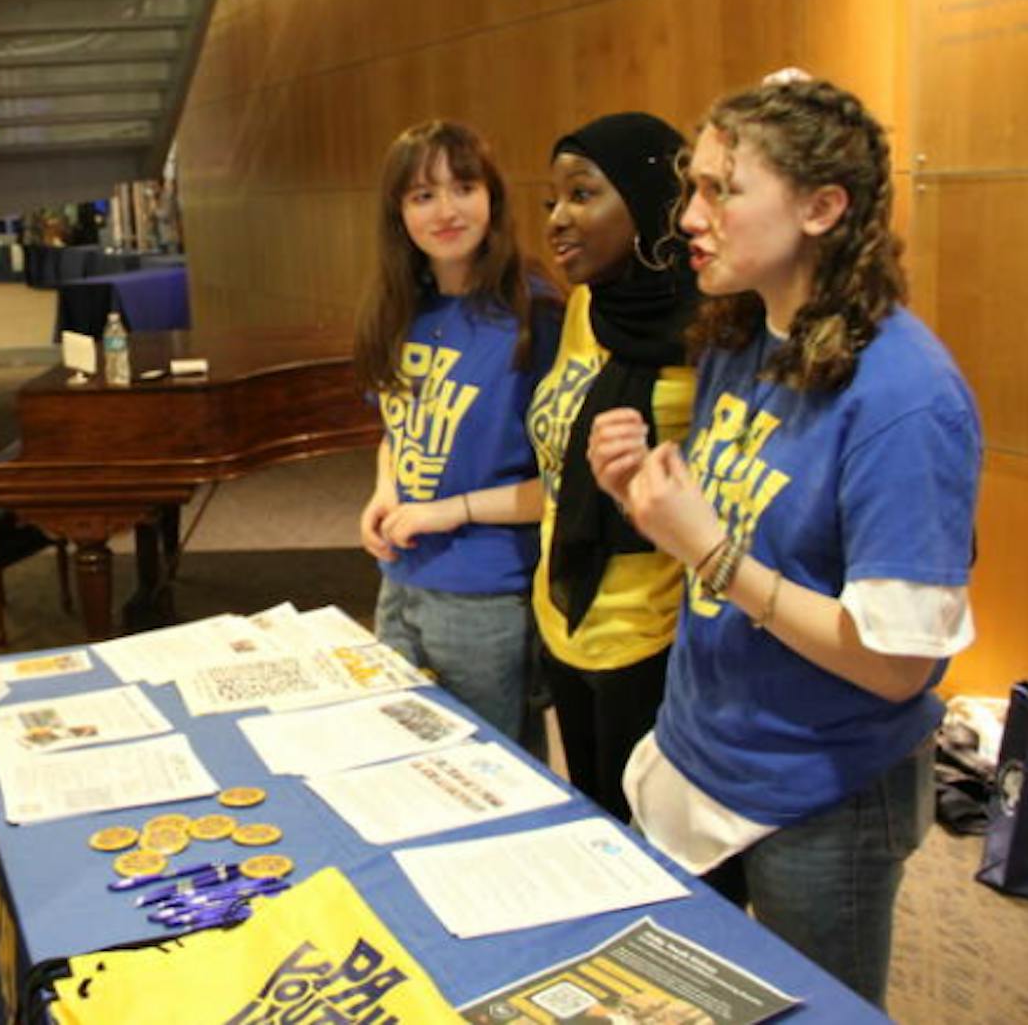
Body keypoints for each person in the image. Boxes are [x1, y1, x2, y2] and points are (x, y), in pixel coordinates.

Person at [589, 78, 982, 1006]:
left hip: (819, 794)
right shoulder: (740, 335)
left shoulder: (905, 396)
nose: (689, 216)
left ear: (821, 208)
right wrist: (649, 499)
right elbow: (741, 532)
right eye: (692, 187)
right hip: (706, 749)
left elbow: (896, 666)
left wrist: (713, 554)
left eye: (721, 189)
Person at [355, 119, 563, 743]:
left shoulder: (535, 314)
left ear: (491, 196)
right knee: (403, 755)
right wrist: (386, 490)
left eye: (463, 188)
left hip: (486, 596)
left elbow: (563, 488)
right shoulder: (400, 309)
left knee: (490, 768)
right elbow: (397, 429)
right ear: (399, 213)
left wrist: (449, 511)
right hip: (401, 579)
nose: (446, 211)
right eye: (423, 195)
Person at [526, 113, 700, 821]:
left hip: (654, 636)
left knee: (653, 847)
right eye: (553, 201)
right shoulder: (586, 308)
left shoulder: (711, 331)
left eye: (583, 194)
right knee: (594, 827)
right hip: (565, 613)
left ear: (649, 202)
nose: (558, 219)